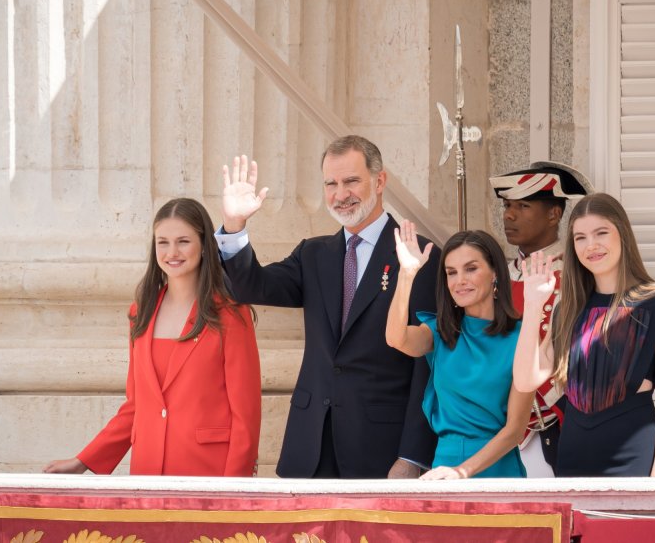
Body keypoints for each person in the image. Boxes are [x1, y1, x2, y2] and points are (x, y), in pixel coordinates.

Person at [217, 136, 438, 478]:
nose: (340, 194)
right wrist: (234, 225)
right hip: (311, 447)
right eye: (331, 184)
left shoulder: (419, 255)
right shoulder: (313, 254)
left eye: (351, 181)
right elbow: (249, 286)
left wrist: (412, 455)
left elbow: (428, 365)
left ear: (379, 181)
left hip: (381, 449)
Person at [44, 198, 262, 476]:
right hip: (147, 471)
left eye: (183, 241)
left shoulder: (231, 314)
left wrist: (234, 489)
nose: (172, 252)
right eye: (163, 242)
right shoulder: (141, 312)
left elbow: (246, 416)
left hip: (209, 475)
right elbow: (136, 406)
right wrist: (84, 460)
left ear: (204, 245)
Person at [513, 193, 655, 477]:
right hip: (572, 454)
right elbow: (525, 379)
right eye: (580, 237)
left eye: (601, 233)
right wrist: (533, 305)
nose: (590, 245)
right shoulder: (567, 309)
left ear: (622, 234)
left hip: (633, 456)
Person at [385, 223, 534, 479]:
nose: (460, 281)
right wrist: (407, 275)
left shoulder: (522, 339)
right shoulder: (439, 333)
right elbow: (396, 338)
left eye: (471, 269)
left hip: (496, 472)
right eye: (451, 273)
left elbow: (515, 431)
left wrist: (462, 472)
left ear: (495, 272)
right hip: (443, 470)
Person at [490, 162, 590, 477]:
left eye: (523, 206)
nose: (509, 215)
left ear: (553, 214)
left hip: (562, 424)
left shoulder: (580, 275)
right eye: (507, 206)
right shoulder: (497, 277)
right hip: (503, 429)